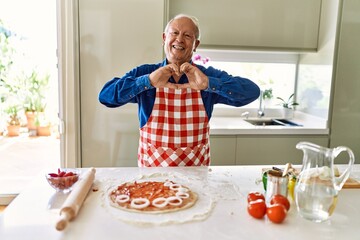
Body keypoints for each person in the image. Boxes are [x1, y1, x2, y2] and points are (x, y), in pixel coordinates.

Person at [99, 14, 260, 167]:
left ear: (196, 45)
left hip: (197, 180)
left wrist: (208, 83)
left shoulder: (206, 76)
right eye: (174, 33)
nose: (179, 39)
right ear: (164, 38)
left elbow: (252, 91)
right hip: (153, 180)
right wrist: (147, 82)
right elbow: (106, 96)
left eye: (187, 36)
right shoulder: (146, 73)